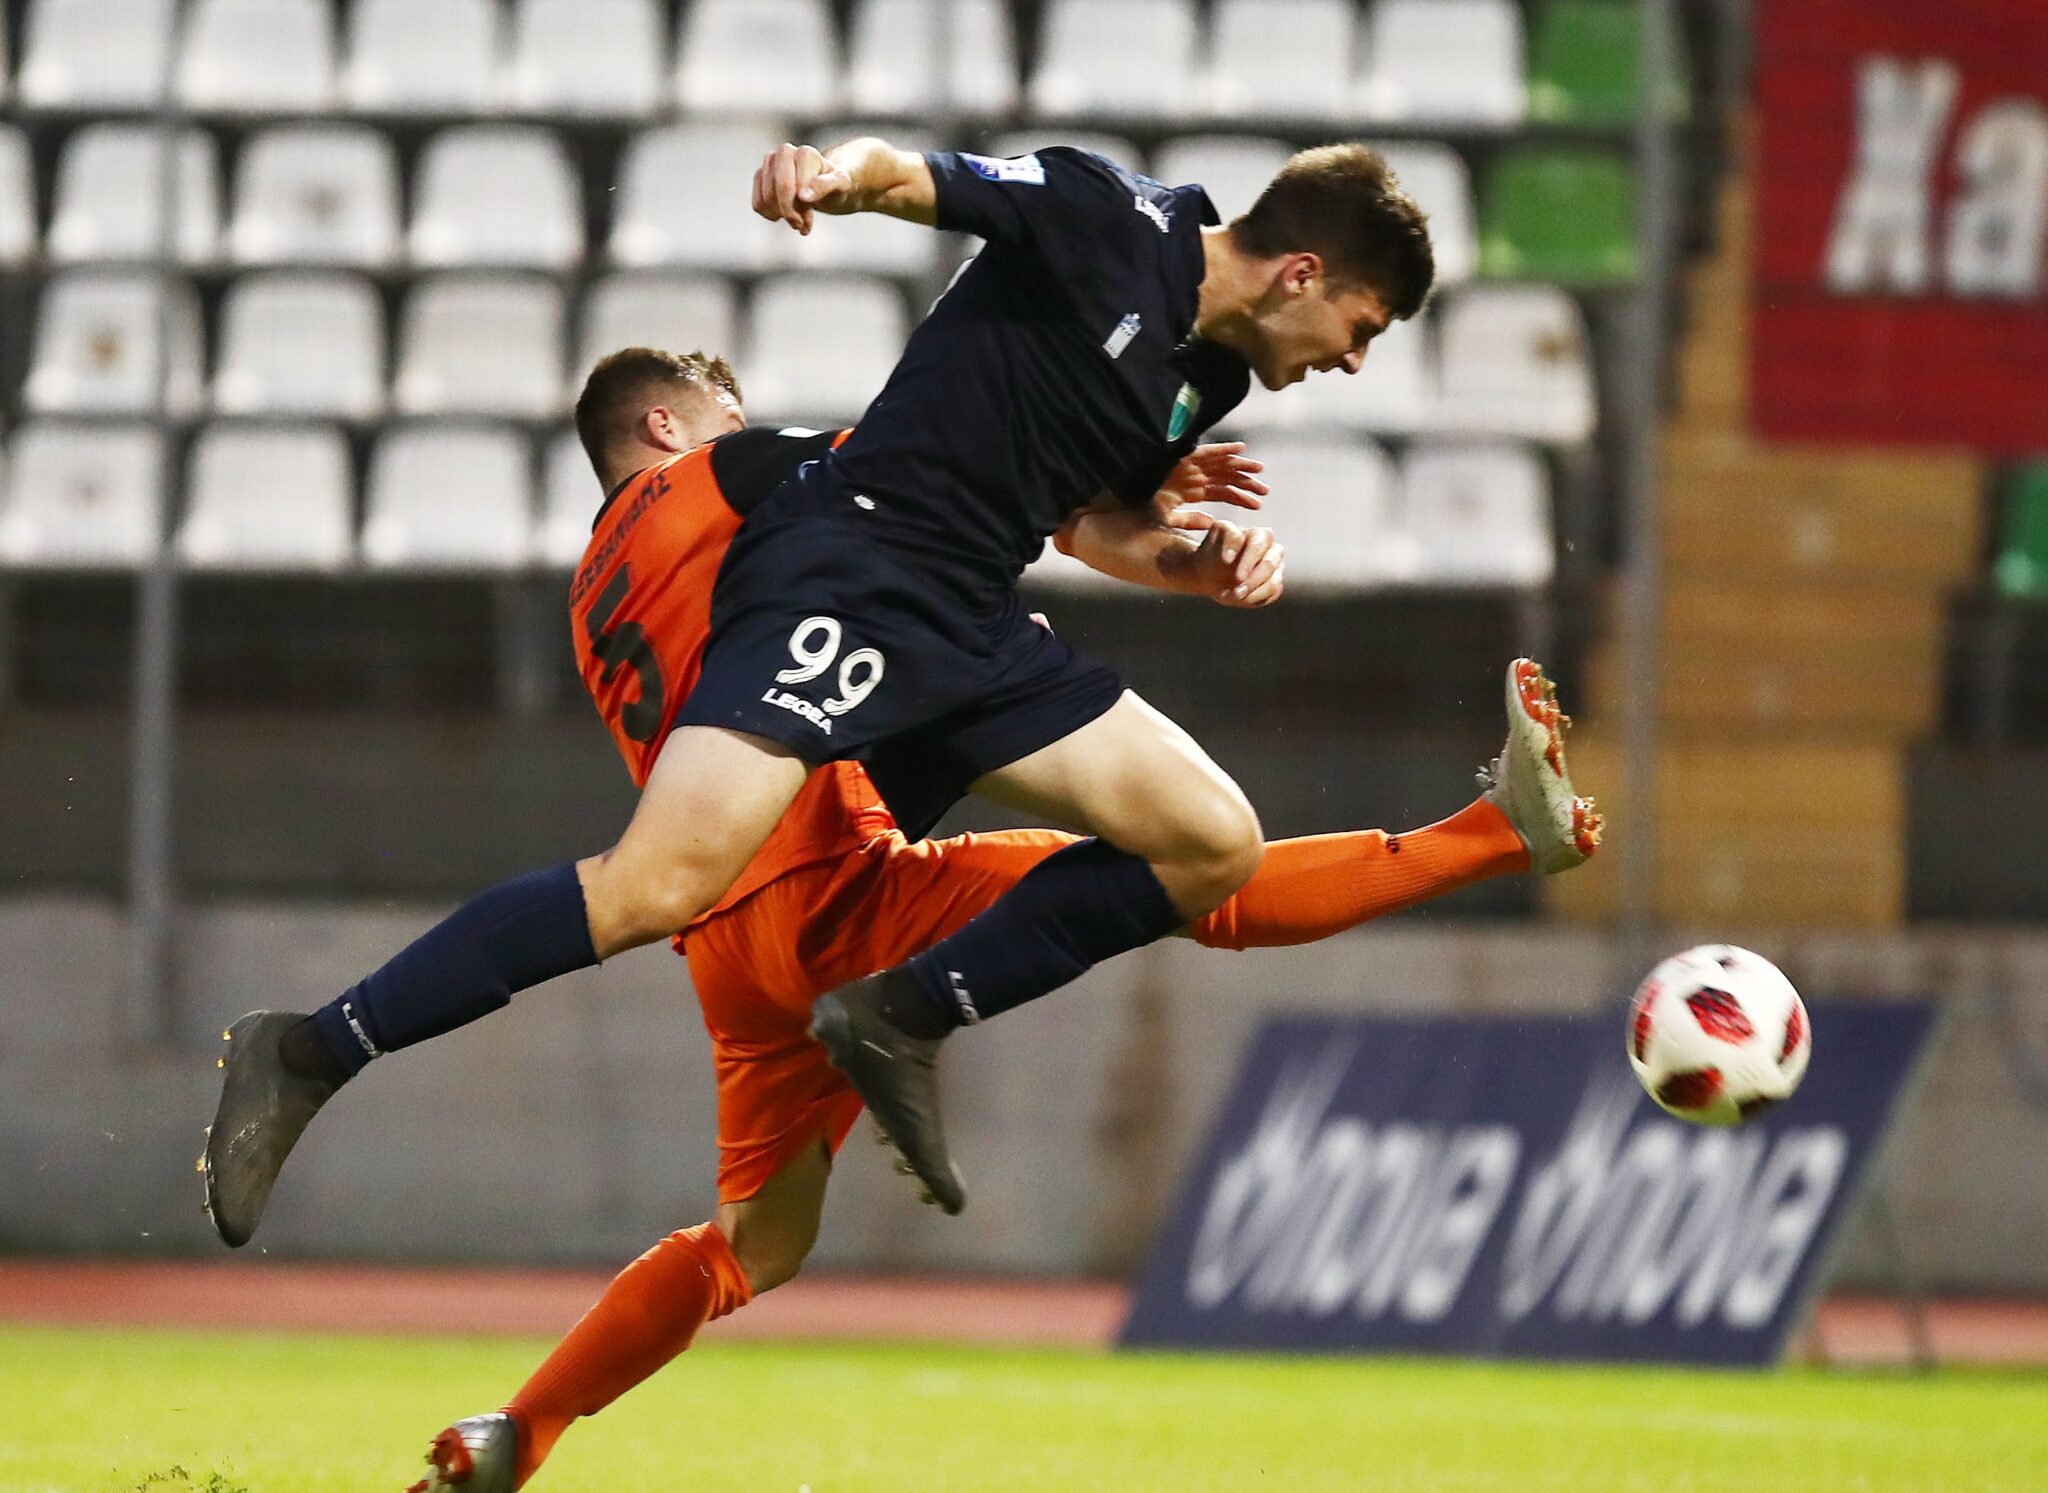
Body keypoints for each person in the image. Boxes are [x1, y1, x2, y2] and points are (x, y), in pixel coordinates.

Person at [207, 137, 1492, 1260]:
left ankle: (902, 1012)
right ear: (1301, 274)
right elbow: (917, 177)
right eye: (1364, 328)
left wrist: (1185, 560)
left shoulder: (1204, 376)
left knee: (1210, 839)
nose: (1353, 361)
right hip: (857, 570)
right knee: (656, 887)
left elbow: (1088, 520)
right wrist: (829, 174)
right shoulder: (1110, 216)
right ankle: (311, 1047)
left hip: (970, 617)